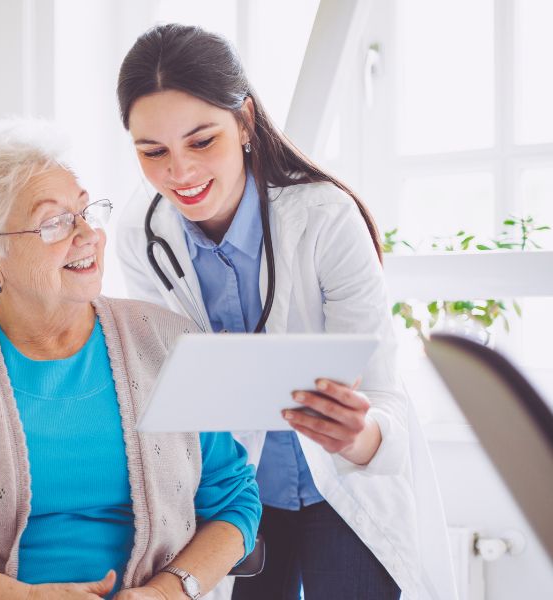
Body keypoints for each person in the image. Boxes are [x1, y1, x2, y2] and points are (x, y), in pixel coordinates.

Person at [0, 118, 261, 600]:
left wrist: (168, 592)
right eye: (54, 222)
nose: (87, 235)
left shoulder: (168, 344)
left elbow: (234, 501)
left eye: (86, 212)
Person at [114, 23, 456, 600]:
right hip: (234, 497)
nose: (181, 174)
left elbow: (383, 395)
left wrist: (359, 435)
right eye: (153, 152)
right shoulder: (141, 233)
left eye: (202, 142)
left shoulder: (325, 218)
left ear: (244, 121)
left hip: (344, 491)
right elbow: (168, 383)